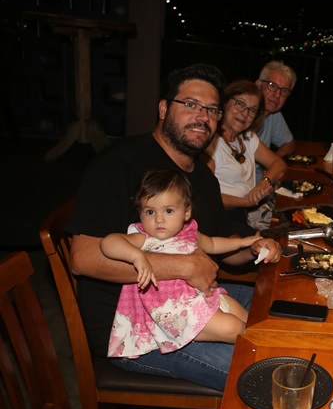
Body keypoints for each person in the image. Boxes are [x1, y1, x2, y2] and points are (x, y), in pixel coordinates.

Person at [66, 63, 281, 391]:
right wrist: (185, 266)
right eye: (191, 104)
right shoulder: (118, 164)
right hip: (134, 330)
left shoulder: (202, 177)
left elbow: (218, 245)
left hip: (194, 298)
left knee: (283, 314)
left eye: (211, 110)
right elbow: (83, 258)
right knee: (270, 376)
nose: (202, 117)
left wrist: (253, 247)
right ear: (164, 109)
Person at [104, 169, 261, 357]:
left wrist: (243, 242)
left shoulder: (189, 231)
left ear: (186, 213)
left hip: (202, 296)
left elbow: (213, 243)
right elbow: (108, 243)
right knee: (233, 328)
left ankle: (269, 346)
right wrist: (137, 256)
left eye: (169, 211)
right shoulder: (144, 238)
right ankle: (263, 353)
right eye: (150, 212)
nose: (159, 219)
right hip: (174, 312)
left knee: (248, 318)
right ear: (140, 213)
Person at [204, 79, 287, 233]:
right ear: (224, 103)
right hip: (219, 218)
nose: (245, 113)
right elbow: (207, 197)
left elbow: (279, 164)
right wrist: (248, 201)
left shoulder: (247, 138)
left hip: (244, 215)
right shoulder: (209, 142)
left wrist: (264, 182)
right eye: (240, 104)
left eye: (252, 110)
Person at [255, 60, 296, 179]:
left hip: (260, 182)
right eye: (272, 85)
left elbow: (289, 144)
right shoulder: (242, 115)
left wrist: (272, 162)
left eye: (284, 91)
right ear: (258, 85)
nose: (277, 95)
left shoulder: (274, 114)